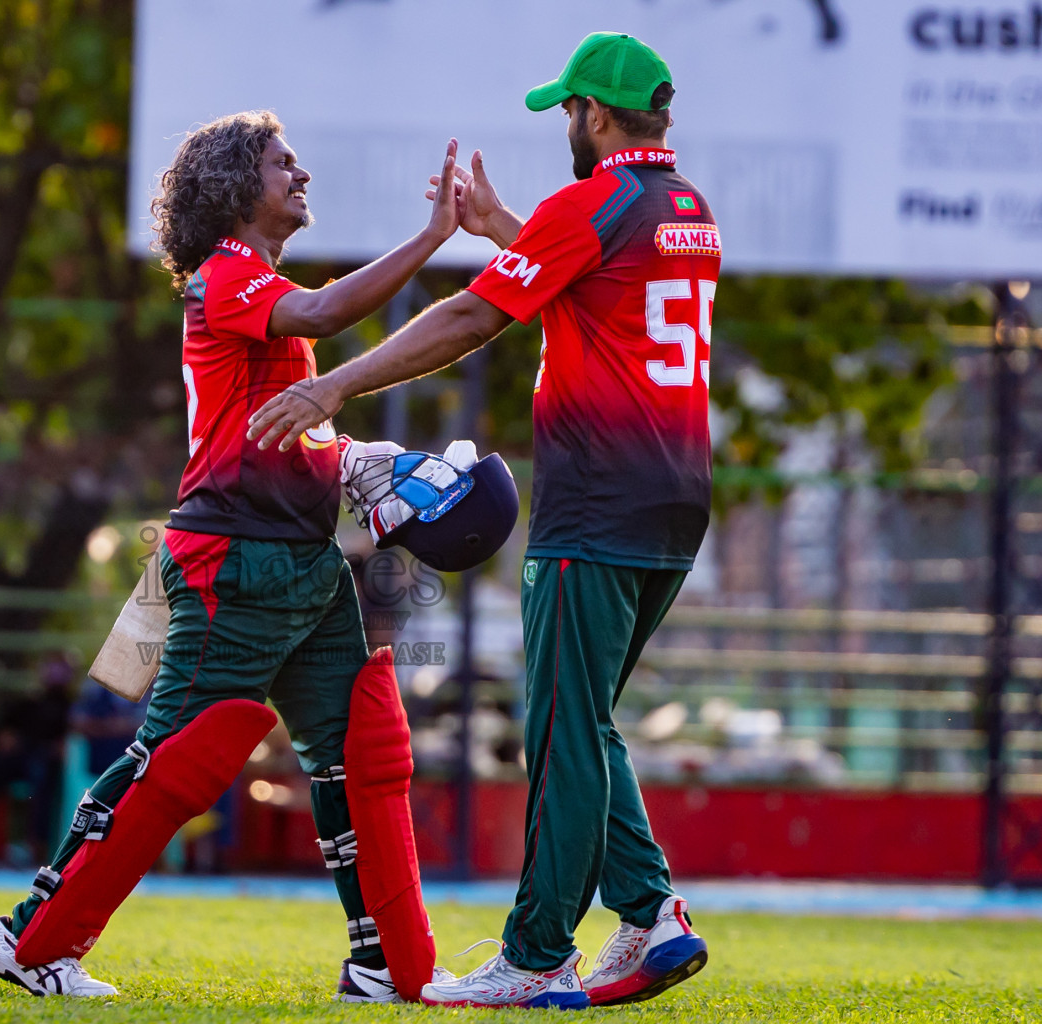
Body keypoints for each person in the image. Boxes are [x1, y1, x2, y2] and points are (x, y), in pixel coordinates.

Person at [249, 32, 718, 1010]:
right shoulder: (682, 208)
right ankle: (649, 912)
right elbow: (593, 285)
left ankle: (539, 951)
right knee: (579, 719)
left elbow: (472, 320)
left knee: (559, 726)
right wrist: (509, 224)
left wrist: (331, 383)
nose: (565, 129)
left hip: (598, 504)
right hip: (676, 501)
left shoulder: (592, 204)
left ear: (593, 114)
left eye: (567, 113)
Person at [0, 110, 462, 1001]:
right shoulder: (224, 276)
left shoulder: (254, 284)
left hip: (302, 559)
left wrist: (349, 459)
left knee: (366, 747)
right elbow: (324, 310)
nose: (301, 175)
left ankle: (384, 960)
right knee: (175, 759)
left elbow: (274, 418)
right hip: (232, 557)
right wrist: (431, 238)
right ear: (237, 188)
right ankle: (32, 940)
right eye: (284, 164)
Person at [0, 658, 72, 864]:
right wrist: (3, 736)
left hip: (43, 762)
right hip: (16, 758)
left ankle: (33, 847)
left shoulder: (68, 707)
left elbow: (69, 740)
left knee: (42, 783)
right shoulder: (27, 702)